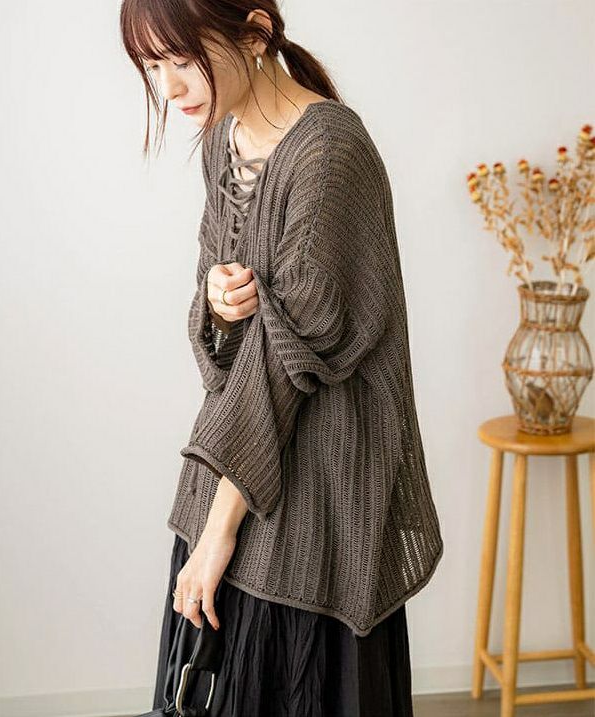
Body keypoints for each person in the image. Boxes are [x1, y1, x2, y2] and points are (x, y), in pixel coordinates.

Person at [120, 1, 444, 715]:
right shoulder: (224, 139)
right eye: (152, 66)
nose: (169, 88)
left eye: (183, 60)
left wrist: (218, 535)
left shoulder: (329, 153)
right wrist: (219, 299)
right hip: (236, 482)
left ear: (256, 33)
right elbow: (233, 346)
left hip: (315, 510)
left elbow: (292, 359)